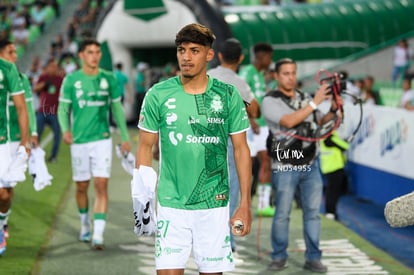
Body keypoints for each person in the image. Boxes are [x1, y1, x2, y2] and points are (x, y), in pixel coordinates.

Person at [134, 23, 252, 274]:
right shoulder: (157, 94)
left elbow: (241, 150)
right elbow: (145, 147)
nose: (186, 57)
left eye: (194, 51)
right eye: (181, 50)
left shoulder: (228, 95)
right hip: (170, 204)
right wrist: (142, 200)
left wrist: (245, 204)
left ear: (209, 55)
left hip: (214, 206)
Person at [262, 58, 342, 273]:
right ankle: (279, 256)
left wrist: (333, 111)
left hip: (310, 163)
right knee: (282, 213)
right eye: (286, 73)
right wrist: (314, 103)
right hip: (284, 165)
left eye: (293, 73)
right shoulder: (270, 100)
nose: (291, 77)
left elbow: (319, 120)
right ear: (277, 76)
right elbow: (288, 121)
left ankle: (313, 258)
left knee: (313, 213)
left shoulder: (305, 97)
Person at [57, 38, 131, 250]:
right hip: (79, 141)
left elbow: (116, 109)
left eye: (97, 52)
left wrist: (124, 137)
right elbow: (63, 109)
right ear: (81, 55)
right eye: (90, 52)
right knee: (82, 186)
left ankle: (98, 234)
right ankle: (84, 224)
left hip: (102, 139)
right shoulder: (72, 80)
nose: (95, 56)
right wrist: (65, 130)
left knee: (101, 184)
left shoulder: (109, 79)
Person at [208, 37, 259, 260]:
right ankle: (228, 239)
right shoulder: (239, 83)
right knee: (231, 189)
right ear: (240, 58)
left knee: (205, 187)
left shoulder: (207, 76)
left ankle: (205, 236)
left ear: (218, 56)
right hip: (230, 139)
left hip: (203, 138)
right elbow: (255, 110)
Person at [0, 40, 38, 239]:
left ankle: (2, 222)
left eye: (15, 52)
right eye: (10, 52)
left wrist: (29, 137)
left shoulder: (12, 73)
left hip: (8, 139)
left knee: (5, 192)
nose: (15, 55)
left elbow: (25, 108)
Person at [239, 42, 274, 216]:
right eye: (270, 57)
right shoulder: (247, 72)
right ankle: (242, 201)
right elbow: (238, 94)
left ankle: (263, 203)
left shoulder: (260, 75)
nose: (271, 61)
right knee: (247, 164)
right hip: (251, 125)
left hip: (263, 125)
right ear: (262, 56)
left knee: (266, 161)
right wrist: (250, 119)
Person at [33, 58, 64, 162]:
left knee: (57, 135)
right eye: (51, 66)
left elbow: (64, 93)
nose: (53, 69)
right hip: (42, 110)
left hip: (55, 111)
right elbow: (35, 89)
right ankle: (34, 155)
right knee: (37, 133)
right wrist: (44, 85)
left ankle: (53, 156)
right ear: (47, 68)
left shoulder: (60, 79)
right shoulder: (43, 77)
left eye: (55, 67)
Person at [319, 131, 349, 220]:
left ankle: (330, 212)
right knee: (333, 192)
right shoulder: (331, 137)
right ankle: (331, 212)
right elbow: (345, 146)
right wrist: (345, 141)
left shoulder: (323, 136)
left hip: (328, 167)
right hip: (335, 167)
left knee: (330, 191)